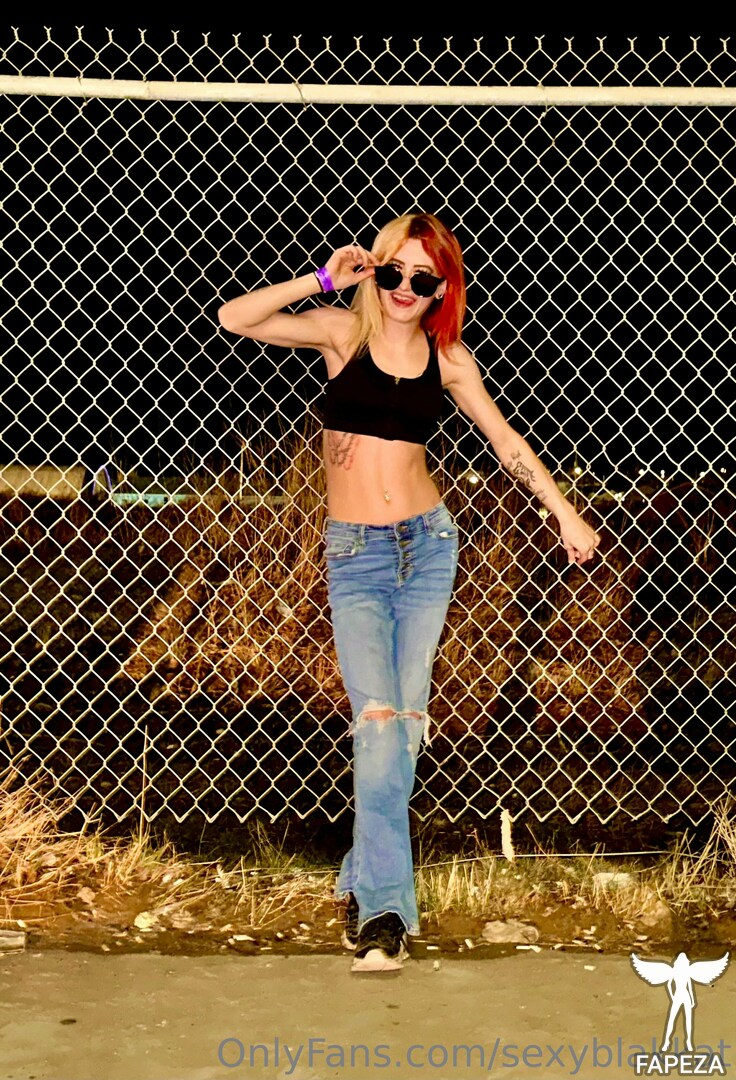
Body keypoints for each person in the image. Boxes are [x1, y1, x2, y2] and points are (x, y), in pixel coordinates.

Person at [218, 212, 601, 973]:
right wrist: (324, 278)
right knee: (378, 722)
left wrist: (562, 510)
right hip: (356, 556)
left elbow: (505, 441)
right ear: (375, 270)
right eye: (392, 270)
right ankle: (386, 912)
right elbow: (237, 318)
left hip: (427, 549)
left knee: (406, 727)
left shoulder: (448, 358)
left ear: (440, 288)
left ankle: (363, 883)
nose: (403, 287)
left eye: (421, 278)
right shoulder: (341, 334)